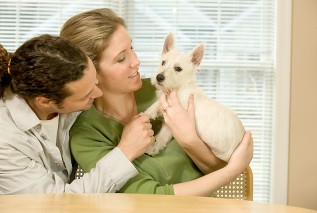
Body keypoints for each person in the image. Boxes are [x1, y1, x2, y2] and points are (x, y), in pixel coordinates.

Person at [61, 8, 253, 196]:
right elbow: (151, 197)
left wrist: (190, 141)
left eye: (132, 48)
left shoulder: (167, 89)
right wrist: (125, 149)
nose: (136, 61)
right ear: (90, 72)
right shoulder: (86, 136)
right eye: (121, 58)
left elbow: (218, 166)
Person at [0, 34, 155, 194]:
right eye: (86, 95)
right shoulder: (5, 142)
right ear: (46, 102)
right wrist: (126, 151)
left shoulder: (63, 81)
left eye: (95, 82)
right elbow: (56, 202)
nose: (98, 93)